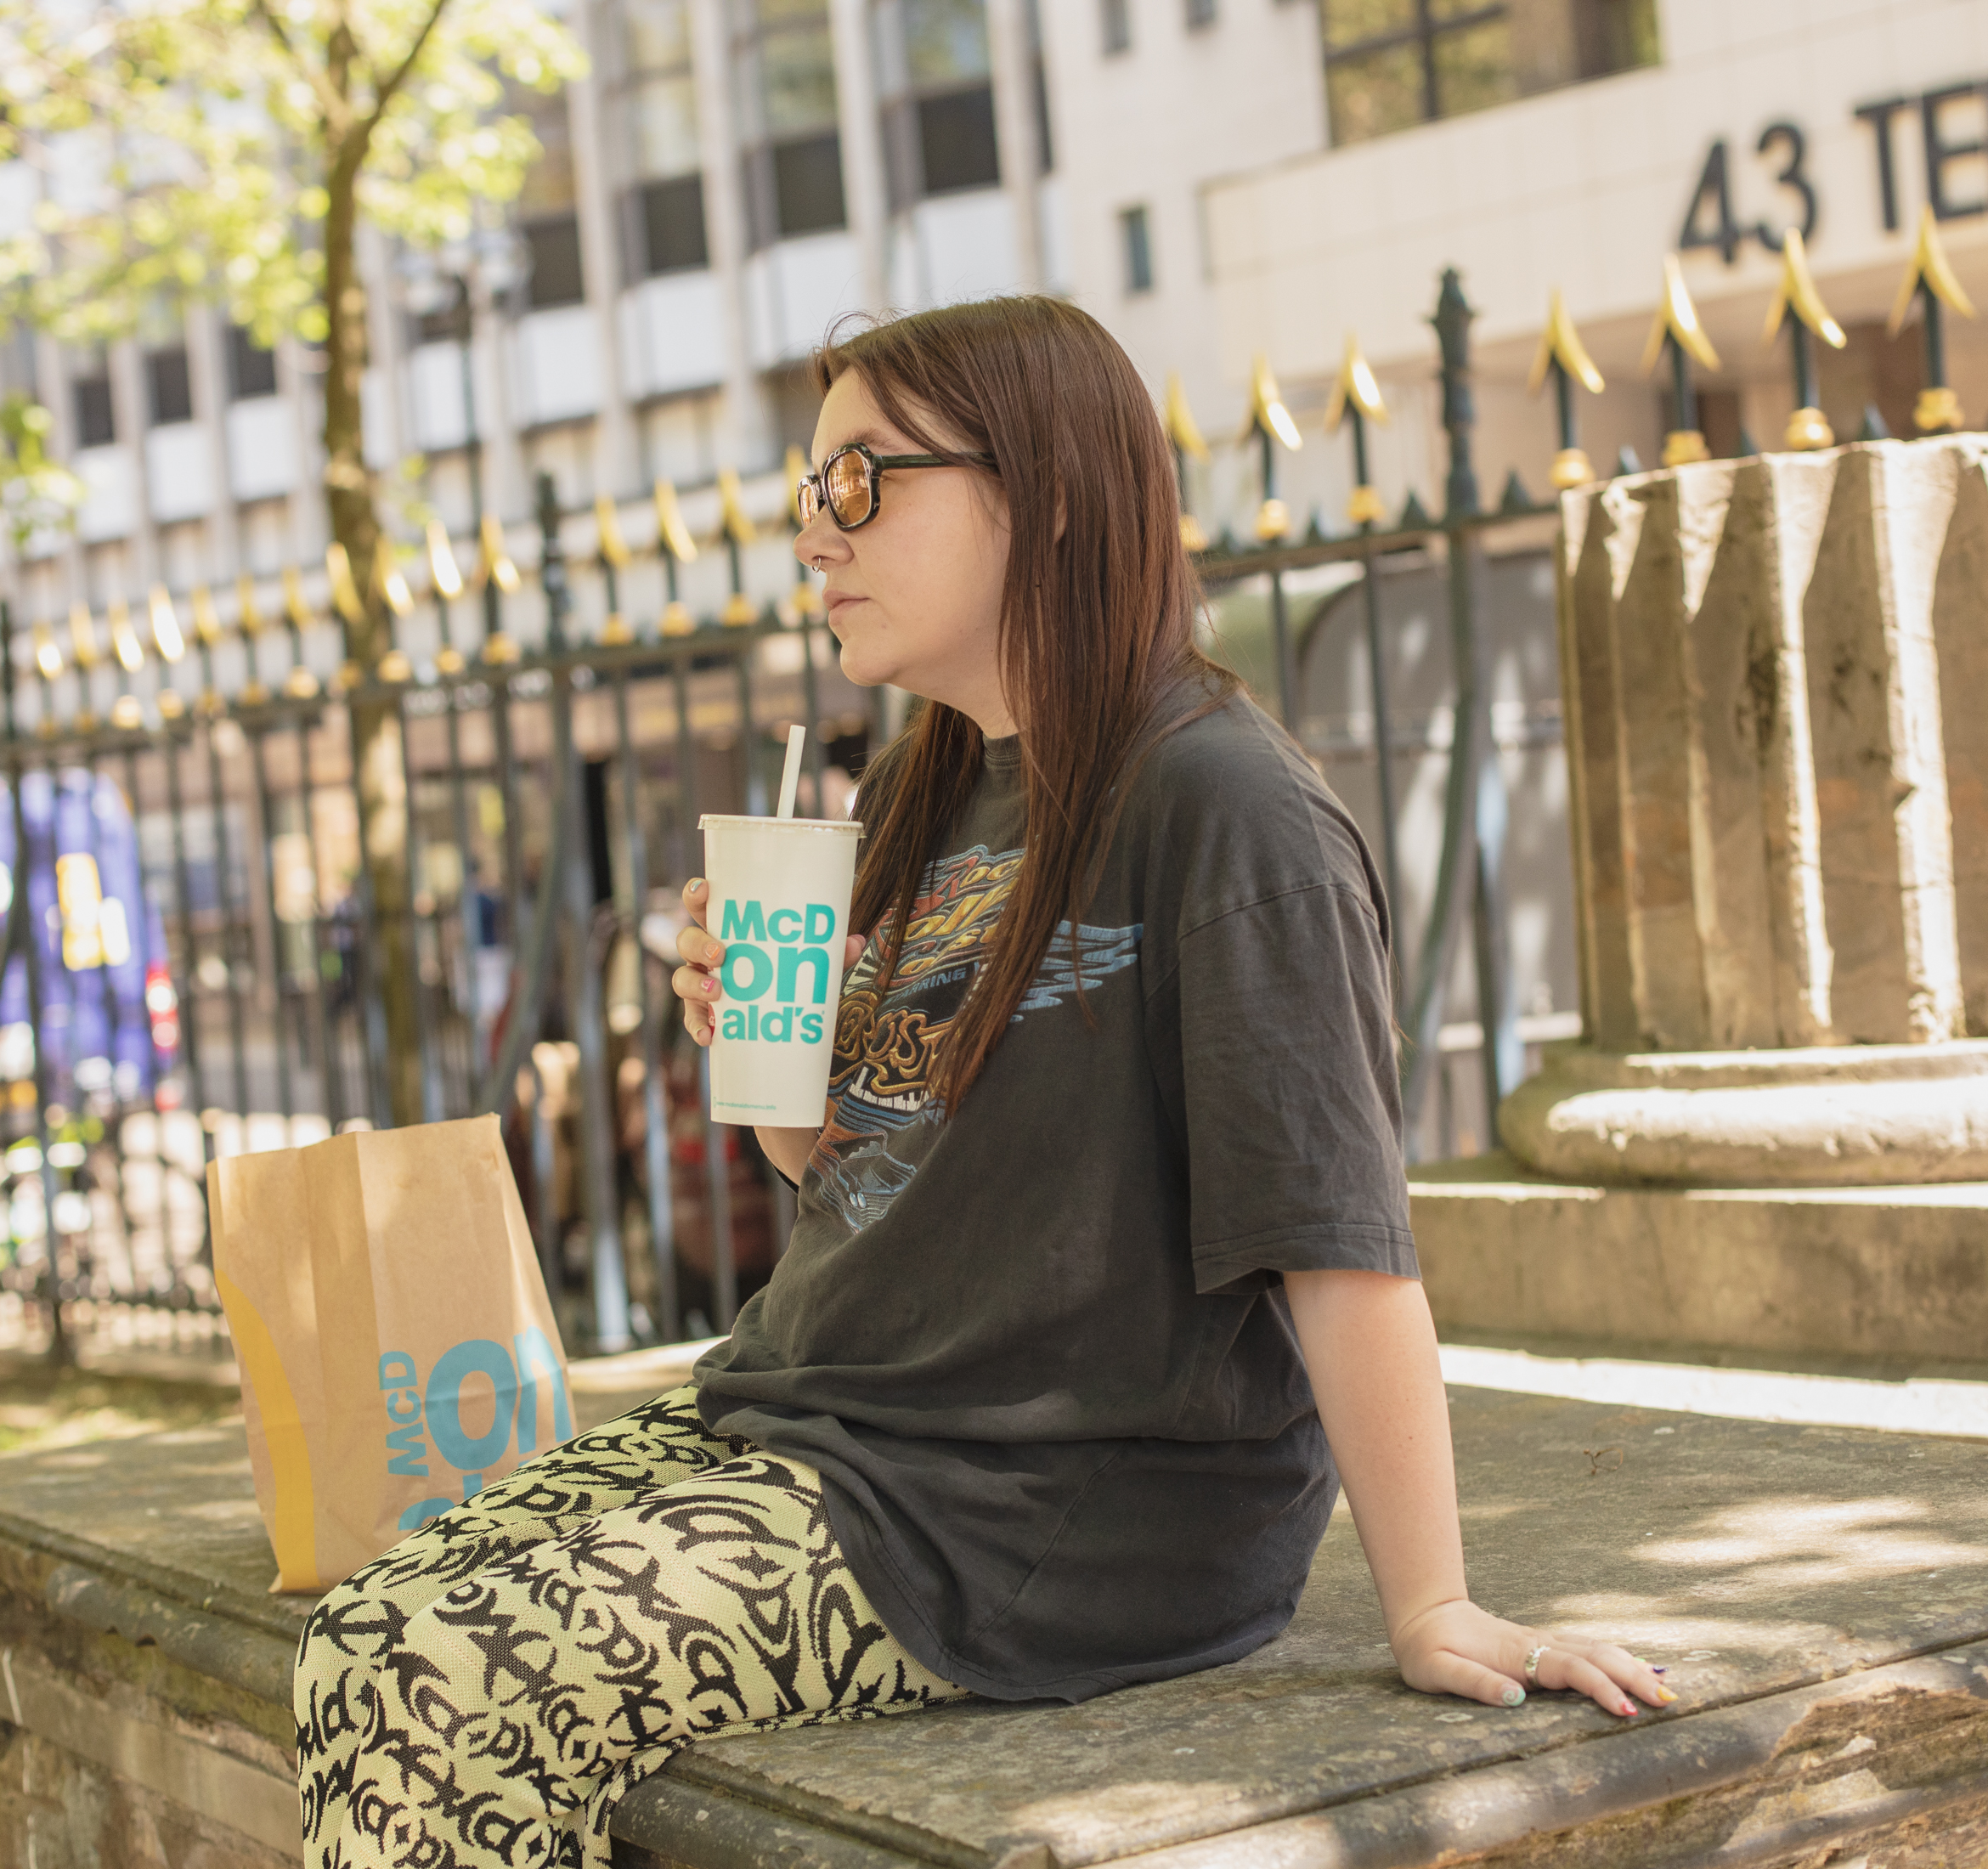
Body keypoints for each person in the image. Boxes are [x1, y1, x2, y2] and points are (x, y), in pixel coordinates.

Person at [293, 296, 1674, 1869]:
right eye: (808, 492)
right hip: (824, 1418)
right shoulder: (920, 780)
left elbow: (1335, 1239)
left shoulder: (1224, 811)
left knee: (443, 1676)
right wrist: (764, 1058)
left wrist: (1429, 1600)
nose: (816, 535)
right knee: (367, 1623)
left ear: (1052, 495)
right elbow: (860, 1178)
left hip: (1036, 1512)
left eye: (862, 482)